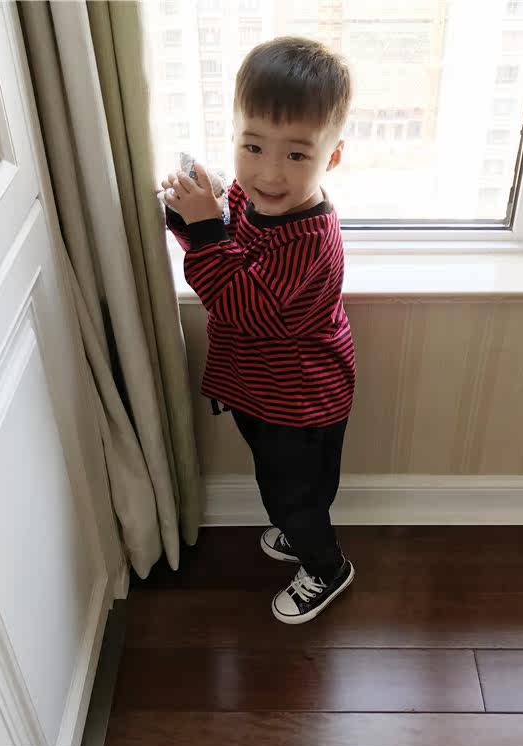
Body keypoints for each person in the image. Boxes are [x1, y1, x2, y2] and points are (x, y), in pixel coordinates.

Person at [160, 36, 356, 625]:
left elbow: (239, 305)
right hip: (265, 389)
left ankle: (326, 565)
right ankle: (299, 527)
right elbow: (227, 237)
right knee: (284, 482)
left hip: (300, 400)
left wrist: (203, 232)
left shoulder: (309, 239)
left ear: (332, 157)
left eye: (296, 155)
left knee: (293, 492)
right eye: (253, 146)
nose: (269, 172)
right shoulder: (257, 198)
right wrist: (193, 213)